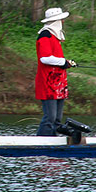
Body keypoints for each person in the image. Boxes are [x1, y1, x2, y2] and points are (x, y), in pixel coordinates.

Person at [35, 7, 76, 136]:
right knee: (50, 118)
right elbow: (44, 58)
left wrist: (66, 63)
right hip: (48, 82)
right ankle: (41, 143)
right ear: (56, 21)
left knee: (57, 119)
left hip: (58, 82)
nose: (62, 22)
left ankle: (53, 141)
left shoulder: (55, 37)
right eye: (61, 20)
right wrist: (63, 62)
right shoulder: (45, 35)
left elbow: (55, 58)